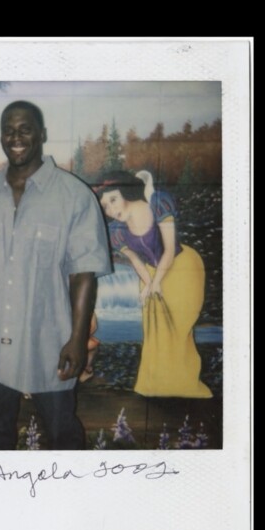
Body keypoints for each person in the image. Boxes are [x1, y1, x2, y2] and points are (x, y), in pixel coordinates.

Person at [0, 101, 112, 450]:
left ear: (42, 134)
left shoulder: (73, 196)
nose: (16, 137)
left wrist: (76, 339)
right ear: (1, 136)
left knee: (62, 433)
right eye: (9, 129)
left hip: (50, 343)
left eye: (25, 128)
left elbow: (83, 275)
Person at [97, 170, 212, 398]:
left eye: (113, 199)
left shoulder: (158, 203)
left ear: (126, 192)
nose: (111, 209)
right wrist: (149, 283)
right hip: (149, 273)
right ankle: (157, 384)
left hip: (182, 267)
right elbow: (136, 261)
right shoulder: (116, 231)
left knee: (179, 327)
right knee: (156, 331)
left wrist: (157, 282)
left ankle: (185, 382)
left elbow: (169, 249)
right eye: (105, 206)